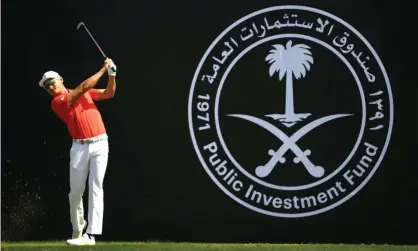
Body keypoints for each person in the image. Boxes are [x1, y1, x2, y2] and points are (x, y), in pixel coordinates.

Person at [39, 58, 117, 246]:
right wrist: (104, 69)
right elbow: (82, 88)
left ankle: (91, 235)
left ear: (61, 80)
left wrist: (112, 75)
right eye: (46, 87)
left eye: (51, 83)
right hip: (79, 147)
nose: (50, 87)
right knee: (75, 192)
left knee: (96, 185)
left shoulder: (86, 92)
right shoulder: (58, 102)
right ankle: (77, 229)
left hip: (100, 143)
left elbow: (108, 94)